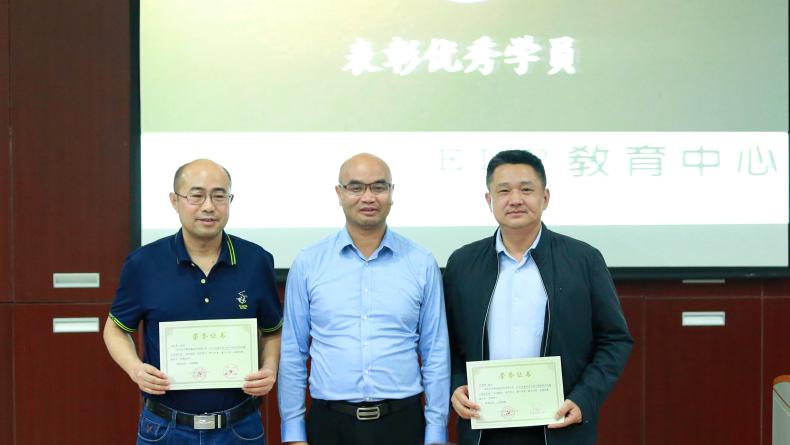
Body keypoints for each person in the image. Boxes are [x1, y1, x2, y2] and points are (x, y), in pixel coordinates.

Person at [443, 150, 632, 445]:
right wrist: (456, 385)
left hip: (559, 425)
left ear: (545, 198)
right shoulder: (463, 264)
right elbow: (447, 343)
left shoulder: (583, 260)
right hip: (483, 426)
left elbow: (615, 340)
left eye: (526, 189)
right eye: (504, 191)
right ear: (489, 200)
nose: (515, 199)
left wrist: (584, 398)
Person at [103, 159, 283, 444]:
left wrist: (269, 368)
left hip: (239, 428)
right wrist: (136, 369)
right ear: (175, 201)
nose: (208, 206)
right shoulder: (143, 263)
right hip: (165, 428)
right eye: (196, 195)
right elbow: (115, 330)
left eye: (219, 195)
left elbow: (273, 331)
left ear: (230, 200)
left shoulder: (256, 260)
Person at [278, 153, 450, 445]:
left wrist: (436, 433)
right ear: (339, 193)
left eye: (379, 187)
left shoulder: (421, 262)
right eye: (356, 187)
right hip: (330, 423)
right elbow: (294, 352)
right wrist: (293, 432)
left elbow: (435, 351)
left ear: (392, 193)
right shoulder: (309, 263)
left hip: (402, 422)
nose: (368, 197)